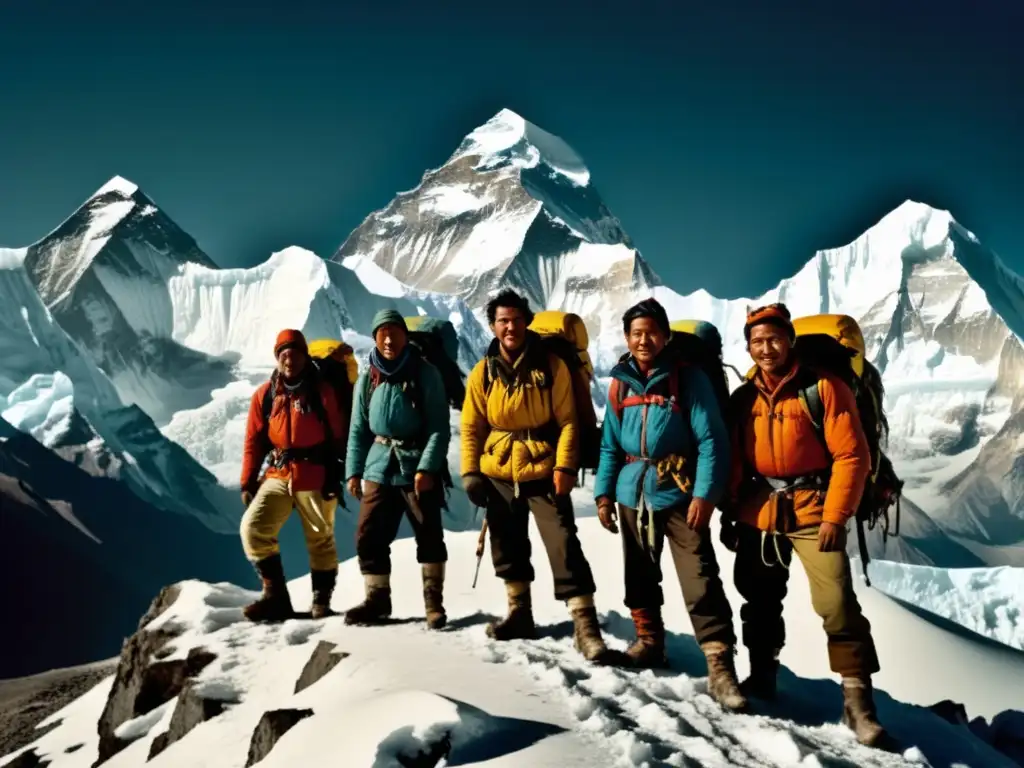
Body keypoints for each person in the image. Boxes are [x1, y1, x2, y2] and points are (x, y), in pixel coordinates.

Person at [725, 302, 886, 746]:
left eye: (774, 338)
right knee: (757, 597)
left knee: (836, 602)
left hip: (816, 509)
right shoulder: (743, 399)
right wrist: (732, 511)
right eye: (757, 342)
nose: (766, 348)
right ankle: (762, 676)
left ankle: (858, 703)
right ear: (748, 347)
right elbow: (737, 460)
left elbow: (853, 456)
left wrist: (837, 515)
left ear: (790, 340)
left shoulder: (825, 388)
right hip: (760, 512)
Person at [593, 298, 746, 709]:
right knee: (639, 573)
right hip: (632, 492)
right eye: (636, 333)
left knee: (699, 577)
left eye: (651, 332)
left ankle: (719, 666)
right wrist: (604, 493)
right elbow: (610, 442)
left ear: (665, 336)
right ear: (627, 338)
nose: (644, 340)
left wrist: (705, 495)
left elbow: (712, 440)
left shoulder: (688, 379)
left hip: (679, 491)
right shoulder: (621, 383)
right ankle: (648, 642)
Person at [460, 289, 611, 663]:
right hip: (497, 469)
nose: (509, 327)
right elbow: (471, 425)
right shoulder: (484, 371)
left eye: (515, 319)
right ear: (493, 326)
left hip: (543, 466)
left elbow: (569, 422)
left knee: (562, 542)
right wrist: (470, 471)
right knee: (507, 544)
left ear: (526, 321)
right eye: (502, 321)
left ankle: (585, 625)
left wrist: (564, 467)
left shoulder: (552, 366)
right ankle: (519, 611)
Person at [344, 310, 451, 629]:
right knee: (368, 534)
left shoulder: (425, 373)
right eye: (382, 333)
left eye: (394, 332)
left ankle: (434, 605)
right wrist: (354, 470)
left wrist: (428, 467)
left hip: (415, 463)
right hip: (379, 466)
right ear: (375, 338)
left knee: (428, 534)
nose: (388, 339)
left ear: (405, 336)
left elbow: (438, 428)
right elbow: (358, 429)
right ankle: (377, 600)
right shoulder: (367, 379)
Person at [239, 329, 347, 622]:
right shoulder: (265, 396)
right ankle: (275, 598)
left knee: (320, 539)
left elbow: (339, 436)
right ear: (277, 358)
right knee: (253, 528)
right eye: (283, 354)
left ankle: (321, 604)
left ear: (304, 355)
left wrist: (337, 474)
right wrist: (248, 481)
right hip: (279, 473)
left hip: (316, 473)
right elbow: (254, 441)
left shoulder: (322, 391)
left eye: (295, 353)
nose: (289, 359)